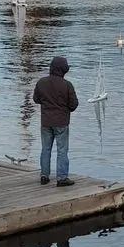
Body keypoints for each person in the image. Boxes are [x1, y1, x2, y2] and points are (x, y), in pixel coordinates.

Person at [33, 55, 78, 187]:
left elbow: (36, 99)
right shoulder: (67, 85)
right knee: (62, 150)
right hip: (62, 122)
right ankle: (62, 177)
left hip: (45, 121)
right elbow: (74, 105)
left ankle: (44, 175)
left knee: (45, 149)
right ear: (64, 70)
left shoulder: (41, 82)